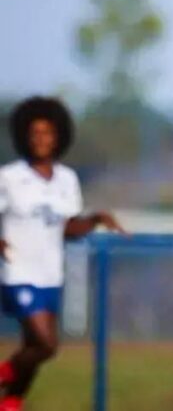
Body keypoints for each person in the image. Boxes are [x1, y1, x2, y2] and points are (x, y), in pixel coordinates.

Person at [0, 97, 126, 411]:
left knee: (33, 349)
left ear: (59, 137)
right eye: (35, 133)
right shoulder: (10, 177)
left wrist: (96, 219)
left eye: (48, 133)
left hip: (49, 273)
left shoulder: (67, 180)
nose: (41, 139)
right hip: (17, 271)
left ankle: (11, 402)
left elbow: (68, 227)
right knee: (47, 344)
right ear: (24, 137)